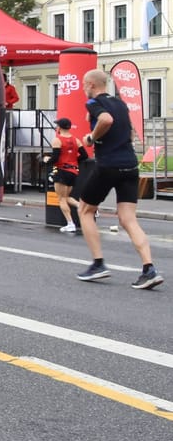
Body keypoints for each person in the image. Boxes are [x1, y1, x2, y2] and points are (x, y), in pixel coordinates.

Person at [74, 69, 164, 289]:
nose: (83, 89)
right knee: (128, 219)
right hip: (130, 165)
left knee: (85, 210)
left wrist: (90, 138)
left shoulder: (94, 104)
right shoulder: (121, 104)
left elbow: (105, 119)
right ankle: (149, 268)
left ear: (91, 85)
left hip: (108, 165)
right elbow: (129, 132)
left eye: (84, 85)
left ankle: (98, 264)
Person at [43, 117, 85, 233]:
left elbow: (55, 157)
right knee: (66, 197)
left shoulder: (57, 140)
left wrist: (47, 159)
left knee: (61, 198)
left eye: (57, 125)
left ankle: (70, 223)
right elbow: (84, 156)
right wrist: (74, 161)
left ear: (60, 127)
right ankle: (85, 207)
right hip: (73, 171)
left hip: (61, 170)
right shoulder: (76, 140)